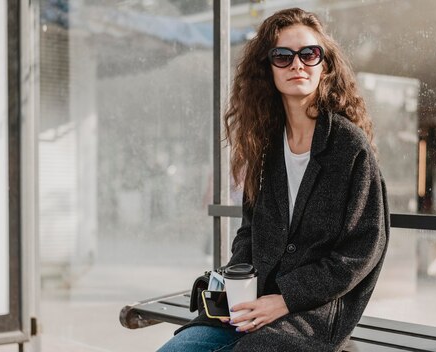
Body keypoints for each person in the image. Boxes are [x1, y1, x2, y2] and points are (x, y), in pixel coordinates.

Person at [158, 7, 389, 352]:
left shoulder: (348, 147)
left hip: (314, 311)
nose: (297, 64)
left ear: (324, 66)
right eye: (283, 56)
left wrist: (285, 299)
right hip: (252, 303)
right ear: (268, 69)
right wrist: (234, 287)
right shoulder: (266, 145)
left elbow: (362, 250)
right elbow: (250, 231)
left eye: (309, 54)